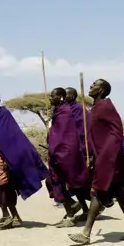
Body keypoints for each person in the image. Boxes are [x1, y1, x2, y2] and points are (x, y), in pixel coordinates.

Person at [68, 79, 124, 246]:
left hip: (109, 158)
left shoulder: (106, 107)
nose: (90, 86)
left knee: (97, 190)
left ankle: (86, 233)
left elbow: (116, 132)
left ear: (101, 90)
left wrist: (106, 155)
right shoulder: (95, 108)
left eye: (94, 85)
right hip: (102, 156)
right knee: (119, 193)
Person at [0, 91, 49, 229]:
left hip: (6, 155)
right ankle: (14, 217)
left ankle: (6, 215)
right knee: (5, 186)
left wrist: (7, 158)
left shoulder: (3, 114)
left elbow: (10, 137)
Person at [47, 88, 90, 227]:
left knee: (61, 182)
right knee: (58, 183)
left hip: (65, 154)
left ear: (60, 97)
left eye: (52, 96)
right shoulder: (59, 110)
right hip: (58, 153)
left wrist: (56, 148)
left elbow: (64, 135)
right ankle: (75, 209)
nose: (50, 98)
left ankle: (73, 212)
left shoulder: (65, 112)